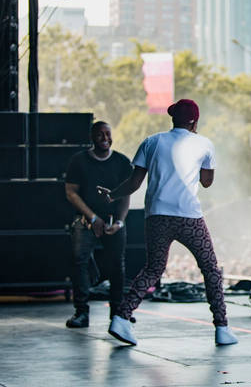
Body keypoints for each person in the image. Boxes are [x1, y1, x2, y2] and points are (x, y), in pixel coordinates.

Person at [101, 99, 237, 347]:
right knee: (210, 269)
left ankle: (121, 318)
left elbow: (134, 184)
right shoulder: (204, 144)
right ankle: (222, 328)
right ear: (195, 121)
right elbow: (207, 182)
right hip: (189, 217)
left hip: (157, 216)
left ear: (173, 119)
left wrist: (112, 194)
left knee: (153, 269)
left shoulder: (152, 142)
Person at [63, 121, 132, 329]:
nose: (105, 138)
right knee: (79, 262)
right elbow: (71, 192)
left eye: (108, 134)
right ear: (92, 138)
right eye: (100, 135)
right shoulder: (79, 161)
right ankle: (81, 312)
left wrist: (120, 222)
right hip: (86, 221)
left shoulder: (121, 162)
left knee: (116, 266)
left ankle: (118, 314)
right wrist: (93, 218)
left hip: (113, 222)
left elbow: (126, 194)